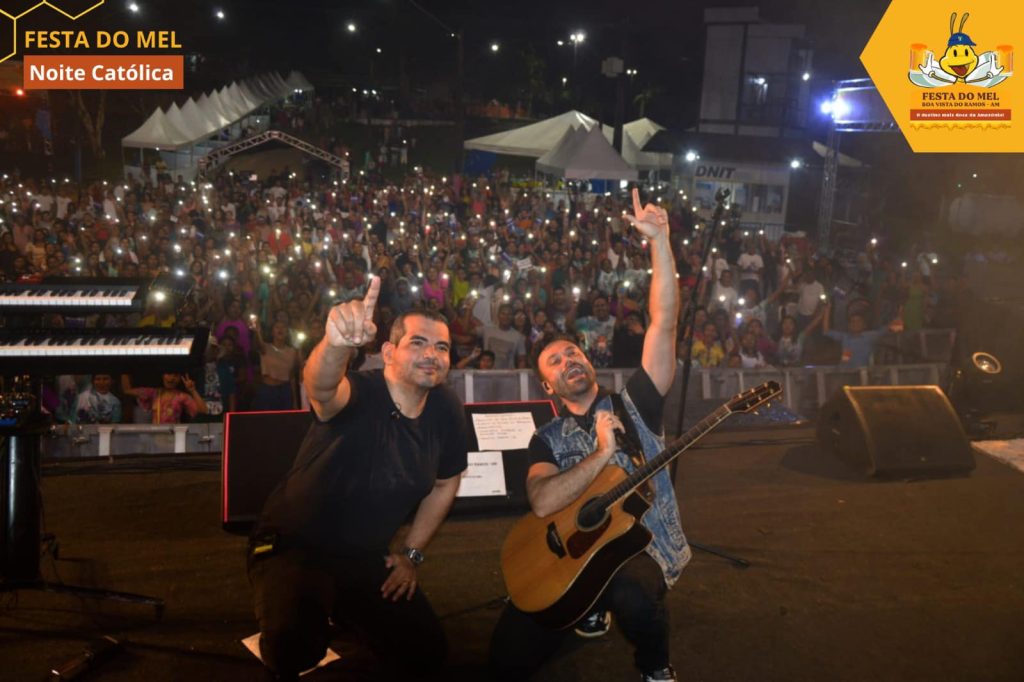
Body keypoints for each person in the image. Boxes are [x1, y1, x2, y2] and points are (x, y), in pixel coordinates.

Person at [489, 190, 688, 682]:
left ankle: (655, 666)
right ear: (547, 385)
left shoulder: (635, 402)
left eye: (574, 352)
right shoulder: (547, 438)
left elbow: (663, 324)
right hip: (572, 556)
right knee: (504, 657)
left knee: (635, 600)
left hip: (639, 547)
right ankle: (586, 606)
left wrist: (660, 243)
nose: (569, 360)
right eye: (555, 361)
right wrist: (602, 455)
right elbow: (541, 500)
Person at [248, 277, 468, 681]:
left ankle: (334, 614)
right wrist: (335, 345)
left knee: (426, 651)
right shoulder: (362, 392)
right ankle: (298, 615)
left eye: (442, 347)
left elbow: (445, 483)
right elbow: (321, 388)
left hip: (364, 555)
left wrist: (412, 555)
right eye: (417, 342)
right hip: (295, 544)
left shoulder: (447, 409)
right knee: (293, 650)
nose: (432, 354)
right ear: (388, 352)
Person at [121, 373, 207, 424]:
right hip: (155, 438)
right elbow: (127, 390)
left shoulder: (181, 396)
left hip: (173, 437)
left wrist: (193, 391)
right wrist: (125, 369)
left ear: (180, 379)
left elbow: (203, 411)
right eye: (168, 374)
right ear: (163, 375)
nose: (171, 378)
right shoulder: (153, 393)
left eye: (175, 375)